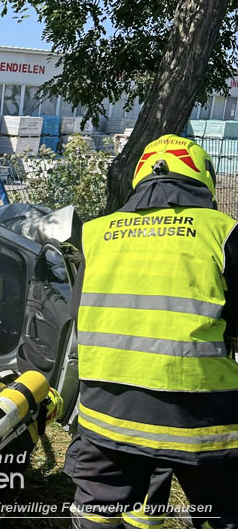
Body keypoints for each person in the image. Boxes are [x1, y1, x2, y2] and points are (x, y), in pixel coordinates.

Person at [65, 135, 238, 529]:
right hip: (201, 419)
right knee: (223, 512)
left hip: (107, 415)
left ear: (140, 178)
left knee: (96, 511)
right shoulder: (223, 232)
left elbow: (79, 314)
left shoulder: (96, 233)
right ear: (203, 180)